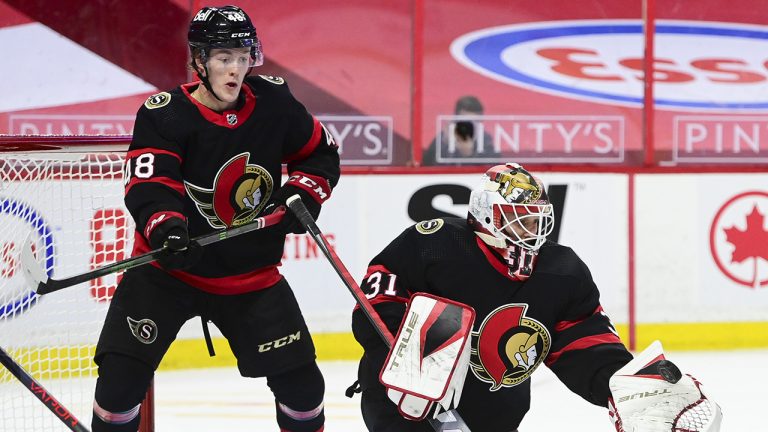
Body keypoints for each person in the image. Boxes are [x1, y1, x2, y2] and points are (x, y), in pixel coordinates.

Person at [91, 5, 339, 432]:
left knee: (305, 390)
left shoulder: (274, 102)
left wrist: (304, 195)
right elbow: (151, 183)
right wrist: (168, 229)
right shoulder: (164, 113)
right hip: (167, 273)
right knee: (118, 385)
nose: (235, 70)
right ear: (200, 61)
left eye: (243, 58)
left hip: (251, 278)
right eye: (224, 58)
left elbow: (319, 152)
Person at [350, 163, 721, 431]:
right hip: (402, 406)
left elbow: (583, 339)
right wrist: (406, 358)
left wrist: (623, 384)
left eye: (537, 218)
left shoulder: (561, 271)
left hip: (492, 417)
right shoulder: (436, 244)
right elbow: (379, 295)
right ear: (487, 215)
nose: (533, 228)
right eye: (521, 218)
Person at [422, 95, 497, 166]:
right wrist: (445, 145)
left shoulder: (486, 141)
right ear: (456, 120)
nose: (469, 128)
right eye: (464, 122)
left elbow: (492, 171)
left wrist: (469, 156)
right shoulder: (444, 138)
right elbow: (427, 168)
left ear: (480, 122)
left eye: (473, 123)